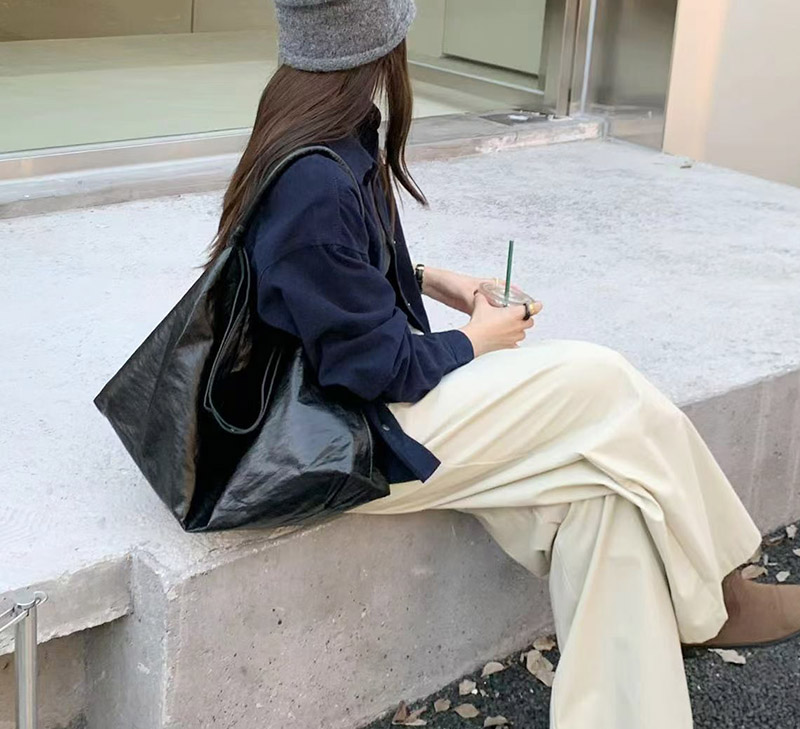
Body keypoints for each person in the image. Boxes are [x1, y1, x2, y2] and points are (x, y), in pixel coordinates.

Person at [207, 1, 800, 726]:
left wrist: (434, 280)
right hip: (345, 437)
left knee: (601, 500)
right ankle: (721, 592)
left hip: (352, 410)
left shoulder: (314, 128)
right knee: (604, 383)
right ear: (379, 41)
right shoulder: (315, 177)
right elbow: (376, 368)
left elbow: (318, 276)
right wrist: (478, 338)